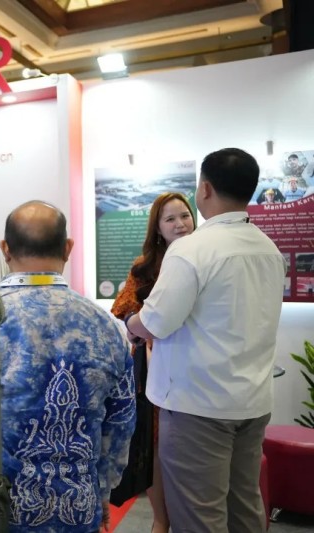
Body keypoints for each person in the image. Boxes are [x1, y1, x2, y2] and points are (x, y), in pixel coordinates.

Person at [0, 201, 136, 533]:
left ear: (5, 249)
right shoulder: (108, 326)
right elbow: (121, 423)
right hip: (77, 510)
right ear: (68, 248)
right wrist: (102, 489)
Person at [125, 148, 285, 532]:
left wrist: (131, 324)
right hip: (252, 402)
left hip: (197, 407)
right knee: (245, 505)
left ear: (206, 189)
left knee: (200, 516)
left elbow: (156, 322)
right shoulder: (268, 248)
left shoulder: (192, 250)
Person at [110, 192, 196, 533]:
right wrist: (141, 329)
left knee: (190, 450)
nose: (180, 224)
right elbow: (122, 309)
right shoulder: (145, 265)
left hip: (195, 368)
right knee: (156, 447)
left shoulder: (206, 255)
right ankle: (160, 521)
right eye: (170, 219)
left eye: (185, 216)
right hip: (151, 369)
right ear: (157, 228)